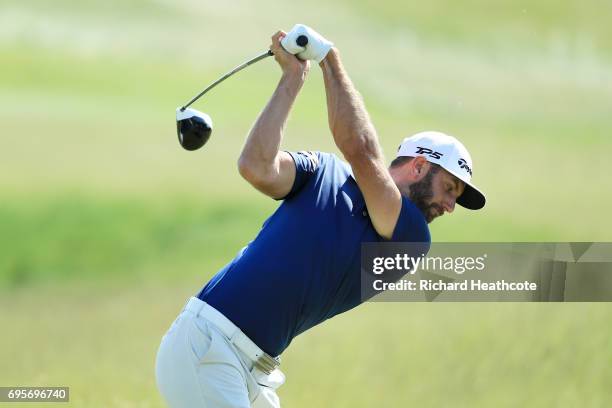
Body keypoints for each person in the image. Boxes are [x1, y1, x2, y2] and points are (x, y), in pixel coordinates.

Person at [155, 24, 485, 408]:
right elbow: (256, 167)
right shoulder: (323, 171)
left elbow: (360, 148)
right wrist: (293, 79)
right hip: (208, 347)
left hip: (250, 368)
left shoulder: (411, 238)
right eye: (449, 189)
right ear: (418, 167)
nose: (449, 206)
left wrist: (330, 58)